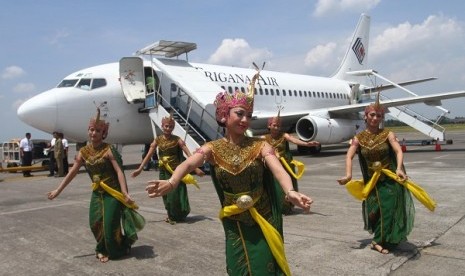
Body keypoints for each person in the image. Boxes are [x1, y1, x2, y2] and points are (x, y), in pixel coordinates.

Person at [145, 71, 313, 275]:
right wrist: (172, 182)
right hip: (234, 220)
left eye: (248, 116)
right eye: (240, 114)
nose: (245, 120)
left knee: (264, 266)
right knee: (237, 267)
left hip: (263, 215)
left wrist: (289, 192)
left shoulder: (260, 145)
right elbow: (188, 164)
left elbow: (278, 169)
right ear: (225, 115)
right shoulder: (212, 148)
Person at [337, 94, 436, 254]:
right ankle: (382, 237)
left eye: (379, 115)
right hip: (371, 181)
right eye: (372, 115)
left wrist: (398, 168)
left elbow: (398, 151)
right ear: (366, 116)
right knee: (375, 210)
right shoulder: (358, 138)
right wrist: (348, 175)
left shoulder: (388, 134)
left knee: (389, 208)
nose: (375, 118)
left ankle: (378, 241)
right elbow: (349, 155)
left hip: (389, 178)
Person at [47, 108, 145, 263]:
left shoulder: (109, 149)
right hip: (97, 192)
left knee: (109, 224)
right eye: (92, 130)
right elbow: (71, 173)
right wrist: (58, 190)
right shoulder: (83, 152)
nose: (94, 133)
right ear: (88, 131)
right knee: (94, 223)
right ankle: (105, 246)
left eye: (98, 131)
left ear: (103, 133)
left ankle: (115, 248)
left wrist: (125, 192)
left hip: (113, 192)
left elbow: (119, 171)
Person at [132, 113, 205, 224]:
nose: (168, 128)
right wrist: (140, 168)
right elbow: (149, 154)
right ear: (162, 126)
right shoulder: (158, 140)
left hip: (176, 172)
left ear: (173, 128)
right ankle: (170, 214)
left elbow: (188, 153)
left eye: (170, 126)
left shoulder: (177, 140)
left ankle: (177, 215)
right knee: (165, 194)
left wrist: (195, 168)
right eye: (166, 126)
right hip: (163, 172)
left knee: (176, 194)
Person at [262, 108, 320, 214]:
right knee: (275, 186)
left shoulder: (284, 135)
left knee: (287, 186)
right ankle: (275, 206)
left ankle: (286, 206)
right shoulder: (264, 138)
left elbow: (294, 140)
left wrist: (307, 144)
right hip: (273, 166)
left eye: (278, 126)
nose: (276, 128)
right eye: (274, 125)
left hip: (286, 165)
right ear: (269, 126)